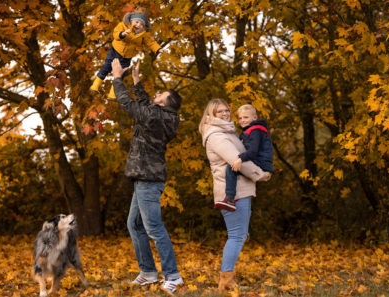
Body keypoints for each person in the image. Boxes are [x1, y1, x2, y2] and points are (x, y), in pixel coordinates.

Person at [111, 58, 183, 294]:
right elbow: (145, 106)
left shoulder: (156, 117)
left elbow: (130, 106)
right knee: (134, 224)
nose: (157, 93)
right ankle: (149, 272)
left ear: (166, 102)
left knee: (152, 227)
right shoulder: (161, 116)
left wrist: (116, 79)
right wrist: (136, 81)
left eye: (161, 93)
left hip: (148, 180)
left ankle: (173, 276)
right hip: (144, 178)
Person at [198, 99, 270, 293]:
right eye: (219, 111)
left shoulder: (227, 132)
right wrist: (261, 175)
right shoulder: (217, 135)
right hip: (233, 192)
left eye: (226, 110)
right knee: (237, 236)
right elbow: (237, 161)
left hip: (241, 189)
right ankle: (225, 279)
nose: (224, 114)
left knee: (240, 235)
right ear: (211, 115)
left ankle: (227, 276)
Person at [91, 7, 169, 98]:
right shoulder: (123, 25)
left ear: (143, 27)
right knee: (106, 67)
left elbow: (151, 43)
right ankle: (95, 85)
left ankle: (112, 93)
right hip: (115, 51)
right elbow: (115, 34)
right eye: (136, 22)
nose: (138, 25)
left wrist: (159, 49)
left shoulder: (143, 35)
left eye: (141, 24)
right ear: (131, 21)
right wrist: (123, 34)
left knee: (121, 74)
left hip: (127, 57)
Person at [215, 104, 274, 211]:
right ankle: (230, 198)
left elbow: (253, 151)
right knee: (231, 168)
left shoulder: (256, 131)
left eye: (246, 117)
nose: (242, 120)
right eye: (240, 118)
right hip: (258, 159)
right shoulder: (249, 130)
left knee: (231, 168)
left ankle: (229, 199)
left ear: (255, 117)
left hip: (261, 162)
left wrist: (240, 159)